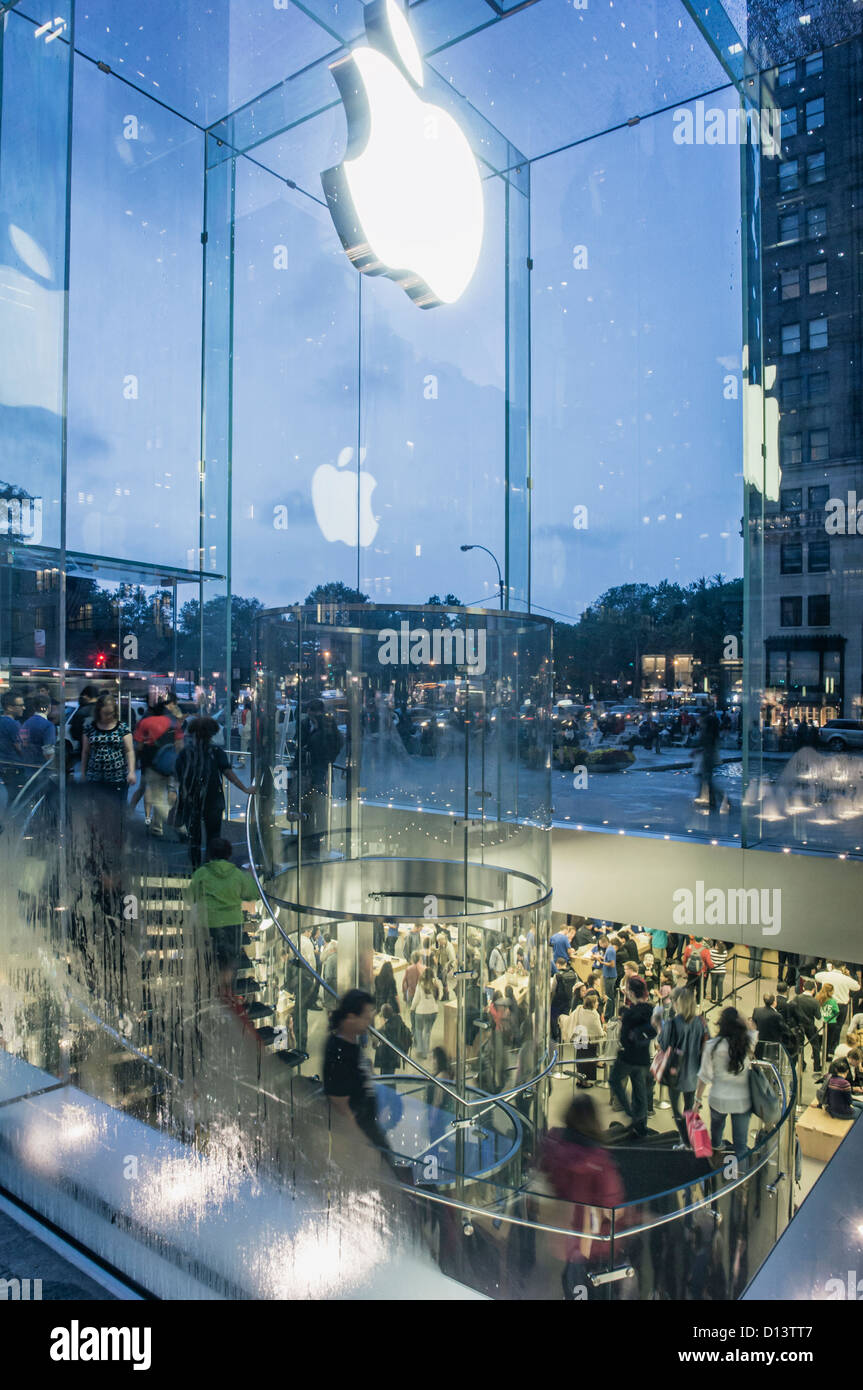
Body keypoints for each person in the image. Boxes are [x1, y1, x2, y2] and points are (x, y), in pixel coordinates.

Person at [539, 1095, 625, 1300]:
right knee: (590, 1285)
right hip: (590, 1243)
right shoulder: (600, 1163)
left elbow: (543, 1174)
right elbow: (613, 1211)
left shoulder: (552, 1142)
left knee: (573, 1281)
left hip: (561, 1234)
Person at [323, 989, 396, 1163]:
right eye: (365, 1016)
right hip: (359, 1137)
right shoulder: (338, 1051)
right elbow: (339, 1101)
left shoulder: (350, 1044)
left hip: (367, 1128)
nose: (369, 1019)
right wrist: (361, 1141)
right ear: (350, 1018)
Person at [175, 716, 255, 870]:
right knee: (214, 836)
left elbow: (179, 776)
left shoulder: (186, 752)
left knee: (194, 838)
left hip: (191, 800)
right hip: (213, 799)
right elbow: (228, 773)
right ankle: (212, 867)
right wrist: (245, 789)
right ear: (211, 734)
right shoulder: (216, 751)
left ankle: (196, 869)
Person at [186, 838, 259, 995]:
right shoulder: (237, 875)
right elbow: (253, 893)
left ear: (210, 854)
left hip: (208, 924)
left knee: (209, 961)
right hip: (232, 925)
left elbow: (190, 896)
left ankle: (209, 994)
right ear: (229, 854)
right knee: (229, 962)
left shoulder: (201, 874)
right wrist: (251, 876)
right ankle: (227, 994)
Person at [694, 1007, 756, 1157]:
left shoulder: (712, 1046)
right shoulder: (748, 1042)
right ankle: (742, 1177)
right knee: (741, 1146)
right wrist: (742, 1020)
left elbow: (704, 1076)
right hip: (742, 1100)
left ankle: (717, 1167)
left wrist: (697, 1100)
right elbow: (752, 1027)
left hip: (718, 1099)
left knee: (716, 1139)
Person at [660, 986, 709, 1148]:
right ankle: (696, 1143)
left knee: (676, 1110)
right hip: (694, 1072)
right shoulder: (701, 1022)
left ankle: (686, 1140)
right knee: (690, 1108)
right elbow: (707, 1044)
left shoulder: (672, 1023)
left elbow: (664, 1043)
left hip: (675, 1072)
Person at [609, 978, 653, 1137]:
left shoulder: (629, 1014)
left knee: (614, 1080)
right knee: (640, 1091)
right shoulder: (651, 1010)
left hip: (628, 1058)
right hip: (643, 1059)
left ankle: (630, 1113)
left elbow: (623, 1039)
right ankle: (641, 1125)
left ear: (632, 992)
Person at [299, 697, 343, 857]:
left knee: (320, 805)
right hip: (306, 770)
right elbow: (301, 742)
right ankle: (306, 836)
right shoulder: (305, 724)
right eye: (313, 713)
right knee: (306, 804)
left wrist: (328, 760)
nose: (315, 716)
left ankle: (318, 838)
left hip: (321, 771)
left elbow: (335, 743)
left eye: (318, 713)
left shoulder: (327, 726)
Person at [132, 698, 182, 836]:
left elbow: (139, 746)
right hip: (171, 764)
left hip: (152, 764)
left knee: (157, 797)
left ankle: (179, 828)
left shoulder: (145, 722)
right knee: (168, 794)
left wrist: (135, 761)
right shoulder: (173, 722)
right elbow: (179, 745)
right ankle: (156, 827)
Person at [80, 691, 135, 799]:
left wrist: (131, 771)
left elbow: (129, 750)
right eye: (105, 713)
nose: (108, 716)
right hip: (95, 777)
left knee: (116, 808)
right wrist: (83, 773)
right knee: (97, 809)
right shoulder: (89, 728)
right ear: (99, 711)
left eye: (111, 713)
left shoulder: (122, 728)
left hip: (117, 777)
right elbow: (85, 752)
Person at [814, 964, 862, 1049]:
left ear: (832, 966)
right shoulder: (846, 978)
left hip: (827, 1003)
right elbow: (857, 987)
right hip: (841, 1005)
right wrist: (849, 975)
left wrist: (828, 973)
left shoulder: (826, 975)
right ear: (843, 967)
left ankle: (822, 1046)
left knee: (824, 1026)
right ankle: (832, 1048)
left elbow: (816, 976)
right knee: (837, 1028)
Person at [568, 989, 605, 1083]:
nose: (597, 1004)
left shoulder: (580, 1010)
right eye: (596, 1002)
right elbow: (599, 1032)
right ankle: (585, 1082)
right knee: (588, 1063)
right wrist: (604, 1032)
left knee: (580, 1061)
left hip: (580, 1038)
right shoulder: (594, 1014)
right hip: (590, 1042)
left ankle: (579, 1079)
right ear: (592, 1003)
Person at [0, 689, 26, 808]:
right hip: (13, 769)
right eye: (20, 705)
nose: (23, 708)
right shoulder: (12, 724)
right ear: (9, 707)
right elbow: (20, 748)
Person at [373, 1002, 412, 1074]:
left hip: (386, 1056)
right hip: (395, 1054)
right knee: (391, 1073)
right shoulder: (398, 1019)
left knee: (385, 1076)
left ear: (384, 1015)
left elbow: (374, 1042)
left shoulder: (385, 1028)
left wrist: (380, 1023)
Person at [66, 685, 100, 768]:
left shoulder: (82, 711)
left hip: (85, 750)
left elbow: (74, 733)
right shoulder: (103, 711)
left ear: (86, 696)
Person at [412, 967, 441, 1058]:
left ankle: (419, 1049)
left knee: (418, 1030)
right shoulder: (437, 984)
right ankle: (425, 1052)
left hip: (420, 1011)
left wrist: (412, 1008)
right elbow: (440, 996)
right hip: (433, 1011)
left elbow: (416, 998)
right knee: (427, 1032)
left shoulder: (420, 984)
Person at [795, 977, 822, 1072]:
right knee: (815, 1045)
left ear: (803, 988)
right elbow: (818, 1016)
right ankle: (817, 1066)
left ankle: (802, 1064)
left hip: (798, 1025)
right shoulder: (815, 1002)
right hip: (810, 1025)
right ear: (813, 990)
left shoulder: (797, 998)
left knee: (800, 1046)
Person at [550, 954, 577, 1041]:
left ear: (557, 965)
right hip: (568, 1001)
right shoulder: (573, 974)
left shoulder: (557, 976)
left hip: (558, 1001)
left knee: (553, 1016)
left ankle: (555, 1035)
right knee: (566, 1020)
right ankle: (565, 1036)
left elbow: (552, 989)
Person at [682, 934, 712, 1004]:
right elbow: (709, 963)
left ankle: (689, 1002)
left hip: (690, 971)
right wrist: (711, 967)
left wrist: (686, 970)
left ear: (694, 939)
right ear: (702, 940)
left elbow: (684, 960)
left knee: (690, 988)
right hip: (701, 973)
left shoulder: (688, 948)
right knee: (700, 988)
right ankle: (698, 1003)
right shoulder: (705, 950)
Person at [816, 981, 841, 1062]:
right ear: (830, 991)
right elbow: (837, 1011)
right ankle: (825, 1056)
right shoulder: (832, 1001)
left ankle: (816, 1056)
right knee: (828, 1041)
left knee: (818, 1040)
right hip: (831, 1022)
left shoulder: (817, 998)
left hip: (820, 1022)